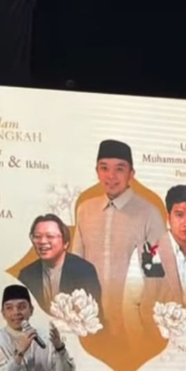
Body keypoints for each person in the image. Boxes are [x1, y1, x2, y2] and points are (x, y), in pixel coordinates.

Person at [71, 139, 166, 325]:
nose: (111, 176)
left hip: (133, 319)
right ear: (97, 171)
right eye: (104, 168)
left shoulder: (149, 213)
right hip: (91, 317)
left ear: (131, 174)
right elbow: (76, 264)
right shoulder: (85, 210)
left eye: (120, 169)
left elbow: (159, 275)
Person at [128, 185, 186, 323]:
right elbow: (129, 305)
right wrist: (143, 336)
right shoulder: (144, 253)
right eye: (179, 215)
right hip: (152, 335)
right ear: (168, 217)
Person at [18, 214, 102, 314]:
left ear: (65, 243)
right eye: (37, 236)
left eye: (50, 236)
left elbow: (95, 316)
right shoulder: (26, 275)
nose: (42, 241)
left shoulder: (84, 271)